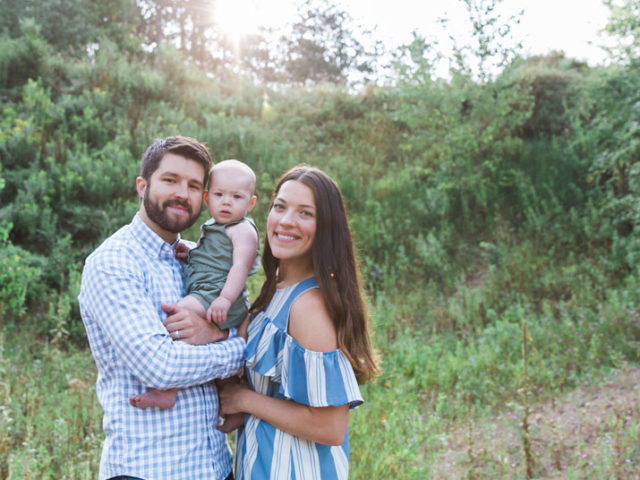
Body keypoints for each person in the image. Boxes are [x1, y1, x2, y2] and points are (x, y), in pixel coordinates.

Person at [78, 136, 246, 480]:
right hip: (150, 470)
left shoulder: (196, 257)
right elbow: (161, 367)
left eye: (194, 185)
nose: (182, 193)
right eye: (170, 180)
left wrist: (216, 332)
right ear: (143, 185)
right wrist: (238, 348)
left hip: (217, 466)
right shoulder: (113, 263)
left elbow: (243, 315)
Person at [218, 166, 380, 479]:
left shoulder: (308, 307)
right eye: (280, 207)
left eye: (305, 213)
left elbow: (330, 426)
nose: (286, 221)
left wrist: (243, 400)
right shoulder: (277, 286)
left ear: (326, 227)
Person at [129, 159, 260, 410]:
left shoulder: (242, 230)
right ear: (208, 198)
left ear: (251, 203)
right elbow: (213, 258)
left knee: (180, 312)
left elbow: (239, 267)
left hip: (219, 296)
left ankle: (166, 390)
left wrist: (224, 299)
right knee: (195, 331)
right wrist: (190, 255)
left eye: (236, 197)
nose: (226, 202)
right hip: (210, 291)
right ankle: (234, 408)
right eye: (220, 195)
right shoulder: (213, 227)